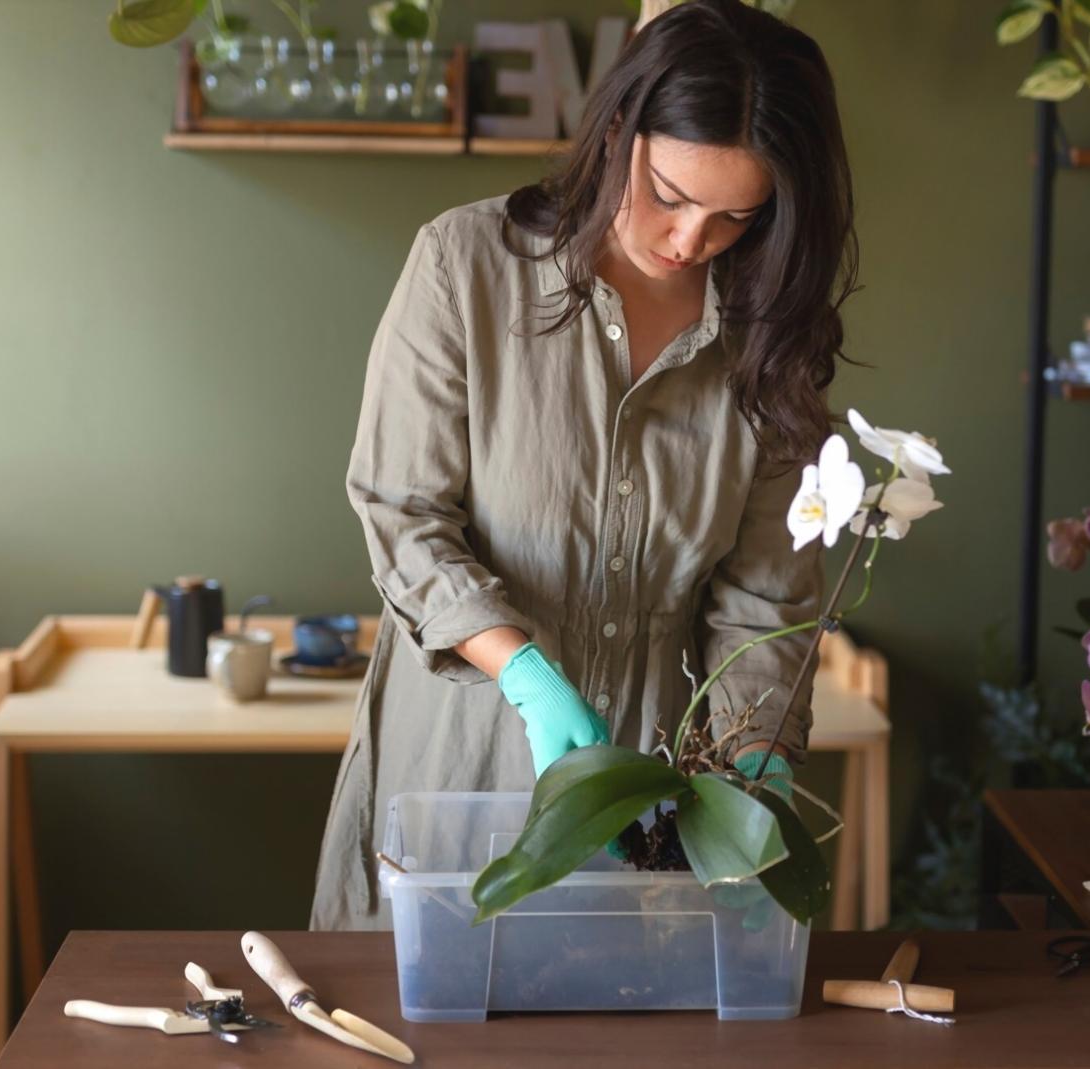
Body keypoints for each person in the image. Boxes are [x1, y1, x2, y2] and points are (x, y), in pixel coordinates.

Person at [309, 0, 858, 931]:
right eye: (671, 196)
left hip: (653, 805)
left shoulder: (771, 337)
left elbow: (765, 601)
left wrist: (749, 760)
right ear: (617, 130)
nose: (689, 241)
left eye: (734, 216)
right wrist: (520, 666)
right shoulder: (466, 267)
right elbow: (402, 511)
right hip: (458, 765)